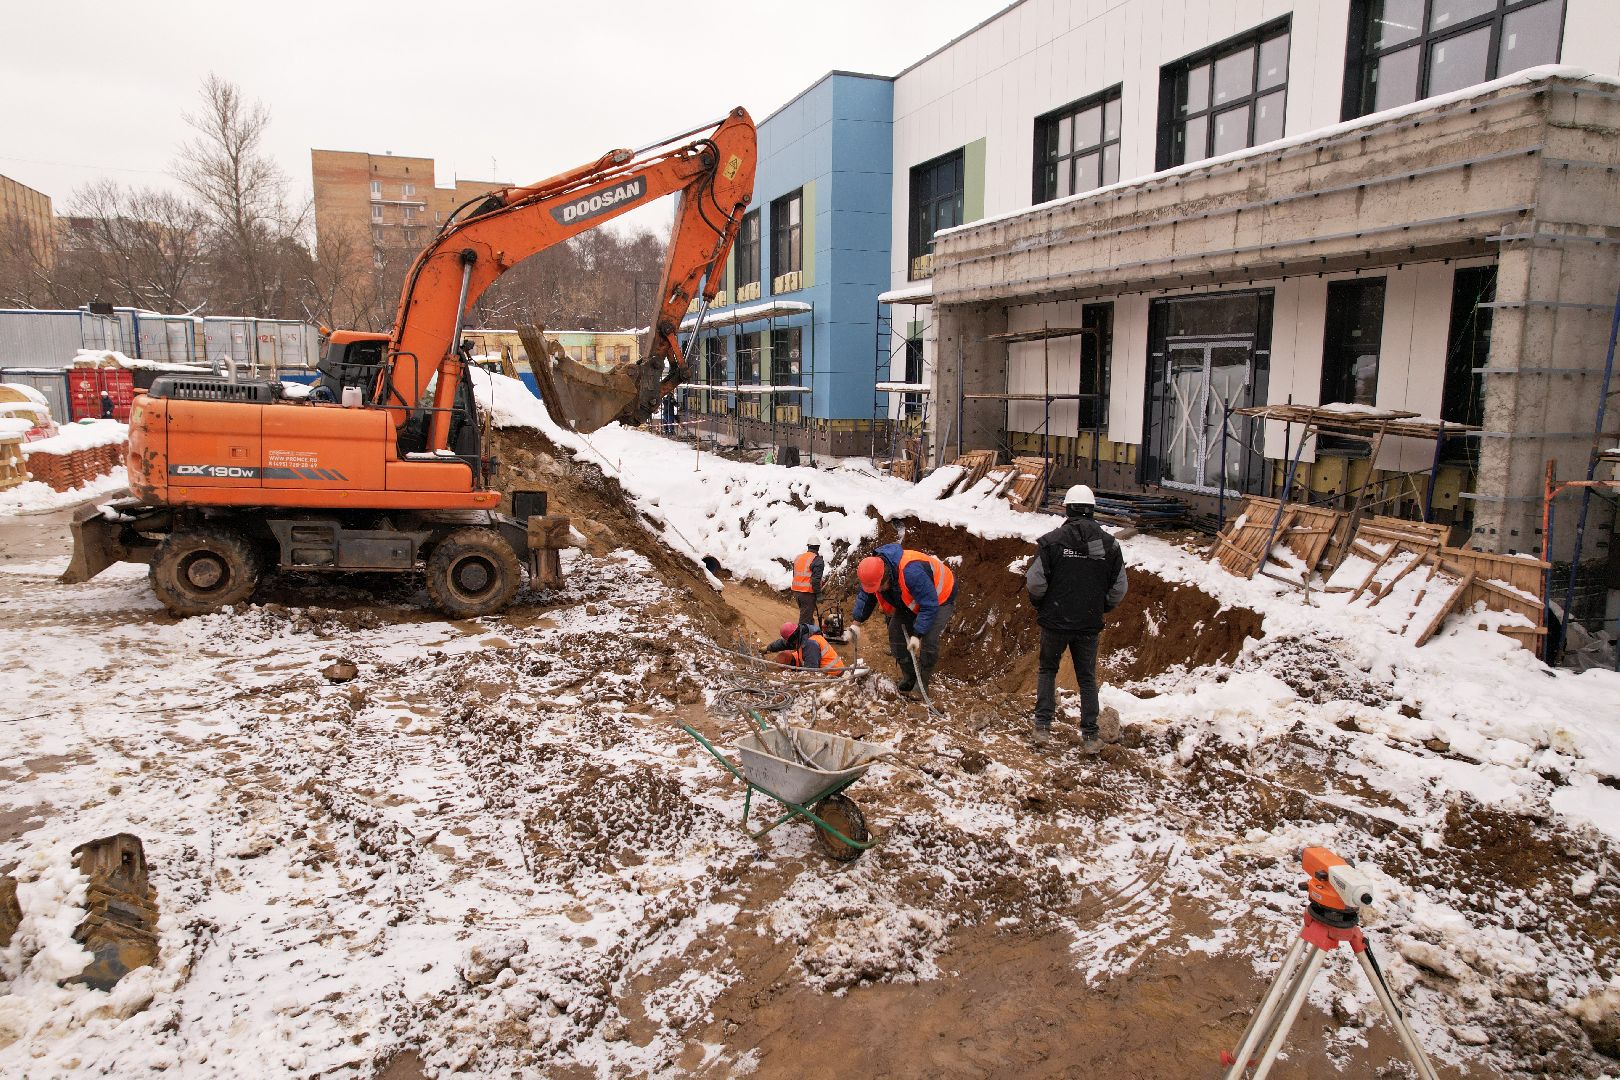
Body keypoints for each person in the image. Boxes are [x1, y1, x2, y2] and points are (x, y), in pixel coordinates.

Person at [1025, 485, 1127, 753]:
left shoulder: (1051, 542)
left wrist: (1042, 604)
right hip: (1088, 623)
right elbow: (1119, 588)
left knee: (1048, 670)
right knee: (1087, 678)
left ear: (1068, 509)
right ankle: (1090, 736)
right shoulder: (1109, 545)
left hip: (1055, 621)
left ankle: (1042, 727)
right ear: (1092, 510)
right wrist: (1101, 607)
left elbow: (1035, 582)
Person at [852, 544, 955, 694]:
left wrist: (917, 634)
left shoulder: (911, 572)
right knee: (895, 632)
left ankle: (922, 685)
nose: (878, 591)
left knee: (929, 640)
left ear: (887, 577)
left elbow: (929, 605)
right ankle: (910, 677)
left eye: (879, 587)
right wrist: (856, 623)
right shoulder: (874, 573)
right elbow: (866, 596)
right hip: (914, 598)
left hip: (940, 598)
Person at [763, 621, 845, 674]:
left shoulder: (810, 644)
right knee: (784, 656)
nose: (791, 643)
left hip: (833, 673)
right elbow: (783, 643)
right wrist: (768, 648)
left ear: (793, 638)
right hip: (825, 669)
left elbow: (811, 671)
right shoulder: (801, 634)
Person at [789, 539, 824, 625]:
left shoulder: (799, 557)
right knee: (805, 621)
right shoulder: (817, 560)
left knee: (807, 616)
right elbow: (815, 580)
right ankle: (802, 633)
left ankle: (810, 631)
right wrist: (818, 594)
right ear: (818, 547)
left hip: (797, 592)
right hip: (807, 594)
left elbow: (795, 574)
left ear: (808, 546)